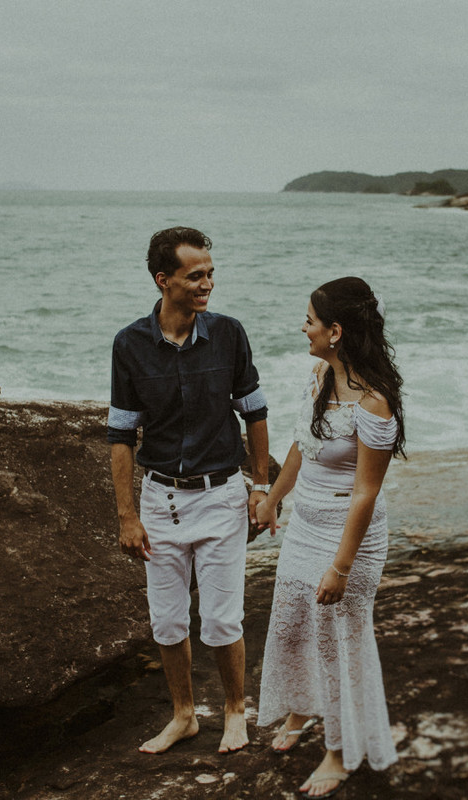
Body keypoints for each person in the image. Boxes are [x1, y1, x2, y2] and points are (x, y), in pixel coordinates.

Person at [108, 226, 270, 755]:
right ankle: (183, 715)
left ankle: (233, 711)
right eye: (195, 275)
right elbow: (119, 436)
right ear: (163, 280)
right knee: (167, 618)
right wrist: (127, 516)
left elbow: (255, 413)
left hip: (222, 495)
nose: (207, 284)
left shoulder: (229, 334)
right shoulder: (130, 344)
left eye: (210, 273)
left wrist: (261, 485)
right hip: (160, 500)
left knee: (223, 620)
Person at [255, 276, 405, 798]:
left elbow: (365, 492)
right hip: (305, 526)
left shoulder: (375, 403)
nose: (304, 327)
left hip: (350, 538)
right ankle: (300, 711)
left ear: (336, 330)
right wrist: (273, 498)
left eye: (311, 320)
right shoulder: (319, 373)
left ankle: (338, 752)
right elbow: (303, 442)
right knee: (294, 624)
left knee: (339, 640)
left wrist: (341, 567)